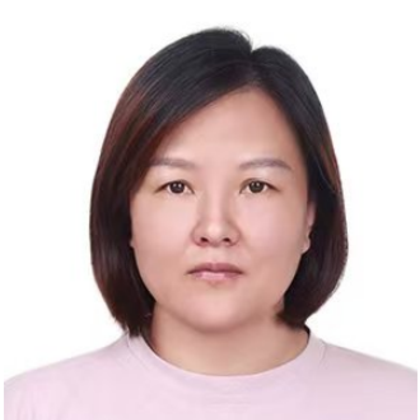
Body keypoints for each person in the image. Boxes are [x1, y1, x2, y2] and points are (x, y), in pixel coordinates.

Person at [4, 27, 416, 419]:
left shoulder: (403, 404)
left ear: (311, 213)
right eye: (177, 186)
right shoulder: (29, 408)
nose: (215, 229)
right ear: (124, 213)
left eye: (256, 186)